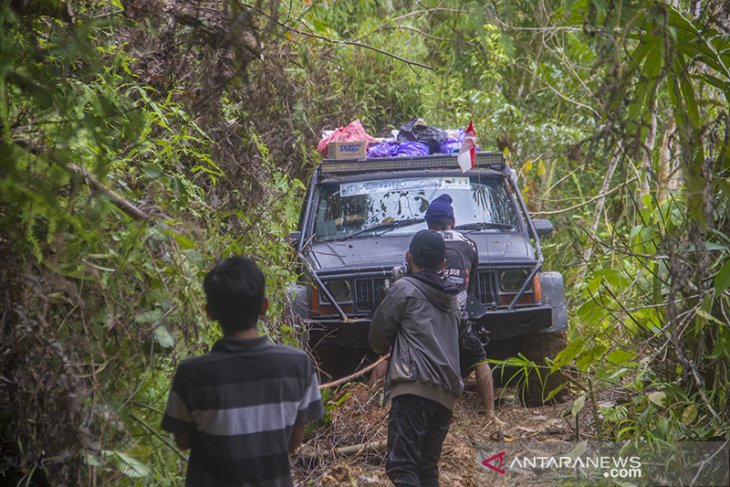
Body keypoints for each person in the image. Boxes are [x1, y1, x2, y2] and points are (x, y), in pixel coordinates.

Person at [161, 256, 324, 487]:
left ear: (209, 312)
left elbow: (183, 440)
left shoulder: (191, 374)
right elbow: (294, 442)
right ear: (264, 306)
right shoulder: (297, 365)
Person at [369, 230, 464, 487]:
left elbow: (377, 338)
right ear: (442, 264)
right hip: (446, 394)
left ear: (408, 256)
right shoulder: (454, 299)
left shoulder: (403, 289)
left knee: (402, 466)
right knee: (426, 467)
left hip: (414, 388)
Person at [425, 194, 505, 427]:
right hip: (458, 316)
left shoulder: (422, 242)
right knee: (479, 357)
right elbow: (470, 281)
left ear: (429, 223)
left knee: (394, 351)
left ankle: (375, 407)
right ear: (453, 220)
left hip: (426, 318)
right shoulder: (469, 244)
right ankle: (490, 413)